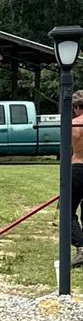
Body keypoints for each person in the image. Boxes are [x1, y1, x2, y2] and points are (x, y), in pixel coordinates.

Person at [72, 89, 83, 268]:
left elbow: (67, 150)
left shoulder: (73, 124)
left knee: (68, 211)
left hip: (77, 167)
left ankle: (81, 247)